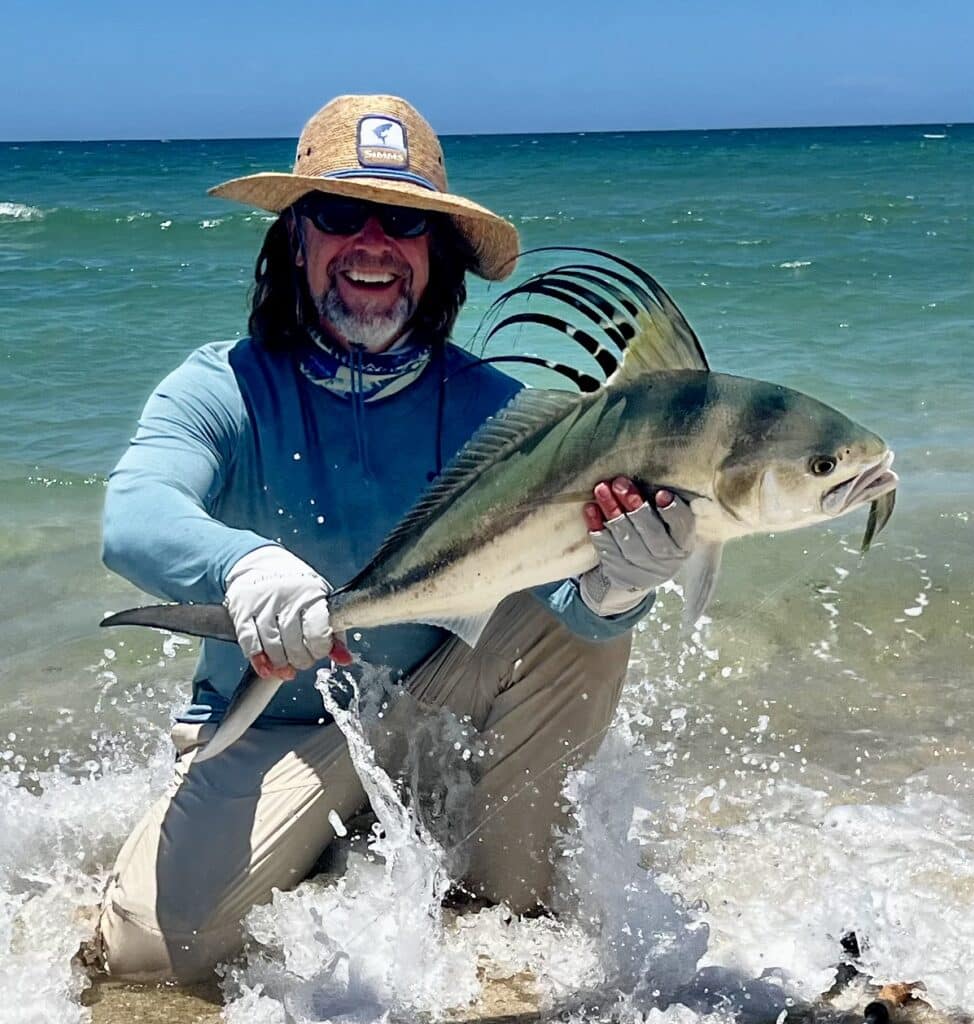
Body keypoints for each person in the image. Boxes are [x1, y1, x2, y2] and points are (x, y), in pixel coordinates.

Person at [92, 94, 695, 983]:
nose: (372, 242)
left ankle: (497, 907)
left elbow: (573, 608)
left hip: (437, 702)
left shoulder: (500, 411)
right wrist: (245, 563)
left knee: (587, 628)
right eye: (340, 215)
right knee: (154, 952)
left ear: (436, 254)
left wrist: (617, 586)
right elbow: (135, 513)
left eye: (406, 222)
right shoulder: (220, 384)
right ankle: (326, 838)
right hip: (279, 720)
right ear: (295, 240)